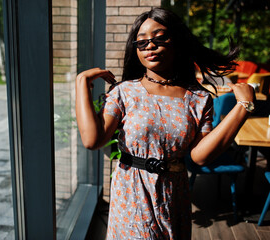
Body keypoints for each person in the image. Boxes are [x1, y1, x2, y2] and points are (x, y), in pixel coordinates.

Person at [75, 7, 254, 240]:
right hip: (131, 193)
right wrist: (81, 83)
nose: (149, 45)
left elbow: (200, 156)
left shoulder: (198, 99)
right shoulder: (124, 92)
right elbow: (92, 140)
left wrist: (243, 108)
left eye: (159, 38)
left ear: (178, 42)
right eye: (141, 42)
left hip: (173, 196)